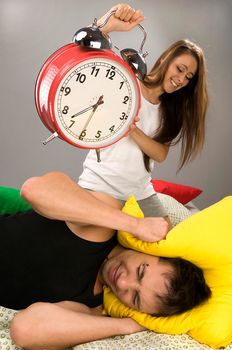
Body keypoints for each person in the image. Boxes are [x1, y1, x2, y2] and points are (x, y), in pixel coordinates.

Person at [5, 171, 211, 349]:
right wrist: (134, 225)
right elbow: (34, 189)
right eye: (140, 271)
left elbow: (25, 329)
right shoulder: (102, 225)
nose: (123, 283)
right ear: (155, 250)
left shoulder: (94, 306)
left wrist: (129, 325)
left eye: (135, 298)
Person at [78, 3, 209, 221]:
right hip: (99, 183)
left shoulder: (171, 111)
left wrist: (132, 129)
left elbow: (159, 153)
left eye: (188, 78)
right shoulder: (129, 80)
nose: (181, 79)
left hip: (140, 193)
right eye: (180, 69)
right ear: (167, 59)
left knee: (164, 241)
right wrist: (106, 25)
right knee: (98, 237)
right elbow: (81, 54)